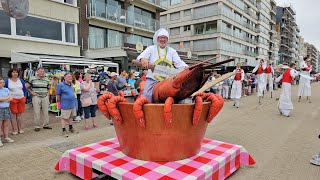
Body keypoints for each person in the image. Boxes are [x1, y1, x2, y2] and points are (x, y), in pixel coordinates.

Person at [137, 28, 188, 102]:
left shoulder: (172, 51)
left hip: (168, 80)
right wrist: (143, 59)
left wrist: (187, 68)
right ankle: (146, 111)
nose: (163, 40)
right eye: (161, 37)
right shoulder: (150, 49)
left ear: (167, 40)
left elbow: (179, 63)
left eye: (165, 38)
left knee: (179, 95)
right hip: (153, 79)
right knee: (146, 95)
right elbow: (141, 57)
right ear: (157, 39)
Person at [26, 67, 52, 131]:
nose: (42, 73)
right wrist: (31, 92)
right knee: (36, 111)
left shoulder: (46, 79)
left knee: (46, 111)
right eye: (40, 71)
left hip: (45, 96)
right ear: (37, 72)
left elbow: (49, 87)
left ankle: (46, 124)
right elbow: (27, 86)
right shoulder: (32, 78)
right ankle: (37, 126)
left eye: (43, 71)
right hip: (36, 96)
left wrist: (48, 94)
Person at [5, 68, 27, 135]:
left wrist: (25, 96)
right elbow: (5, 90)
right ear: (10, 73)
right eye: (13, 72)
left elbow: (24, 89)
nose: (15, 73)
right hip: (12, 100)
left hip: (21, 98)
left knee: (19, 115)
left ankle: (20, 129)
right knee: (13, 115)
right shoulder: (7, 81)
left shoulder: (21, 80)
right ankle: (15, 130)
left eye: (16, 72)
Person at [56, 73, 77, 137]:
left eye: (71, 77)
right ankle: (64, 130)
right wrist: (60, 102)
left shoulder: (71, 84)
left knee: (71, 116)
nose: (70, 78)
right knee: (64, 118)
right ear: (64, 78)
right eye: (68, 77)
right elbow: (58, 94)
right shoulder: (61, 85)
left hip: (72, 104)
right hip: (65, 105)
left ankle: (70, 128)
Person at [0, 77, 14, 146]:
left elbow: (11, 98)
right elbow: (0, 99)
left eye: (3, 82)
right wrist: (7, 98)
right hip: (0, 109)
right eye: (0, 83)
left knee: (6, 124)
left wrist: (5, 99)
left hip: (7, 108)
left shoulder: (6, 89)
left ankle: (6, 137)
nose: (2, 84)